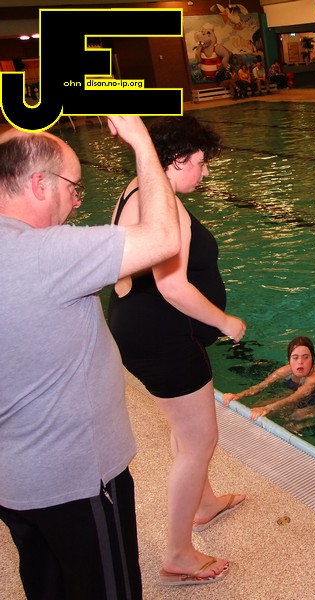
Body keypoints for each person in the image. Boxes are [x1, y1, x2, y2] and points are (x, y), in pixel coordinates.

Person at [0, 117, 180, 598]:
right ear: (39, 184)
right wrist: (140, 141)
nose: (77, 201)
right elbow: (164, 237)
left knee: (49, 586)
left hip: (14, 483)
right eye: (73, 188)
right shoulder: (46, 255)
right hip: (76, 480)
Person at [108, 116, 246, 586]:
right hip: (165, 337)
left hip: (137, 327)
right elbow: (172, 286)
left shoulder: (136, 189)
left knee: (185, 432)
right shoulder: (164, 204)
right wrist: (225, 322)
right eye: (201, 163)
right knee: (200, 441)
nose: (205, 172)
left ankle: (204, 504)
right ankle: (178, 555)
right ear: (178, 159)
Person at [222, 336, 315, 421]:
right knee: (258, 405)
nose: (300, 362)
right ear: (289, 360)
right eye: (295, 358)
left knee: (294, 417)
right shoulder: (285, 370)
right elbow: (260, 386)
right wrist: (238, 395)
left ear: (313, 358)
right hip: (296, 393)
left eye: (305, 357)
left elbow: (294, 398)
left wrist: (267, 409)